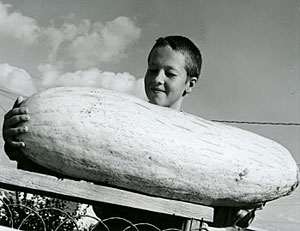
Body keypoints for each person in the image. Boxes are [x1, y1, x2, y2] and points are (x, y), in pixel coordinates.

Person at [2, 35, 260, 230]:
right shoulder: (113, 124)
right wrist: (20, 145)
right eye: (152, 69)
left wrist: (243, 210)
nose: (157, 79)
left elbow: (218, 206)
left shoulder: (203, 146)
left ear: (189, 84)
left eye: (169, 73)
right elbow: (63, 164)